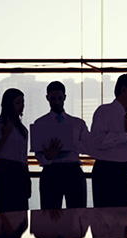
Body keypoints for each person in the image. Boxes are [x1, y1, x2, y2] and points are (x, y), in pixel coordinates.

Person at [90, 73, 127, 208]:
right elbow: (97, 141)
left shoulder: (123, 114)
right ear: (123, 90)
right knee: (106, 220)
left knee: (125, 219)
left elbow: (112, 147)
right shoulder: (104, 111)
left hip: (123, 174)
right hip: (108, 174)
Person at [34, 81, 90, 210]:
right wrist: (47, 157)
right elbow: (38, 154)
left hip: (73, 171)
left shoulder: (78, 124)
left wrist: (72, 143)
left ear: (65, 97)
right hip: (51, 171)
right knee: (49, 217)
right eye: (53, 98)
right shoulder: (39, 124)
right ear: (47, 98)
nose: (57, 102)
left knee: (78, 216)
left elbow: (89, 148)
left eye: (60, 98)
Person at [0, 88, 30, 213]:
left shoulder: (23, 129)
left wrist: (27, 178)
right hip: (5, 172)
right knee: (4, 215)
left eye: (22, 102)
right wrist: (5, 135)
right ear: (8, 103)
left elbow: (24, 157)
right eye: (17, 102)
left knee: (21, 215)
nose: (21, 106)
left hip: (21, 172)